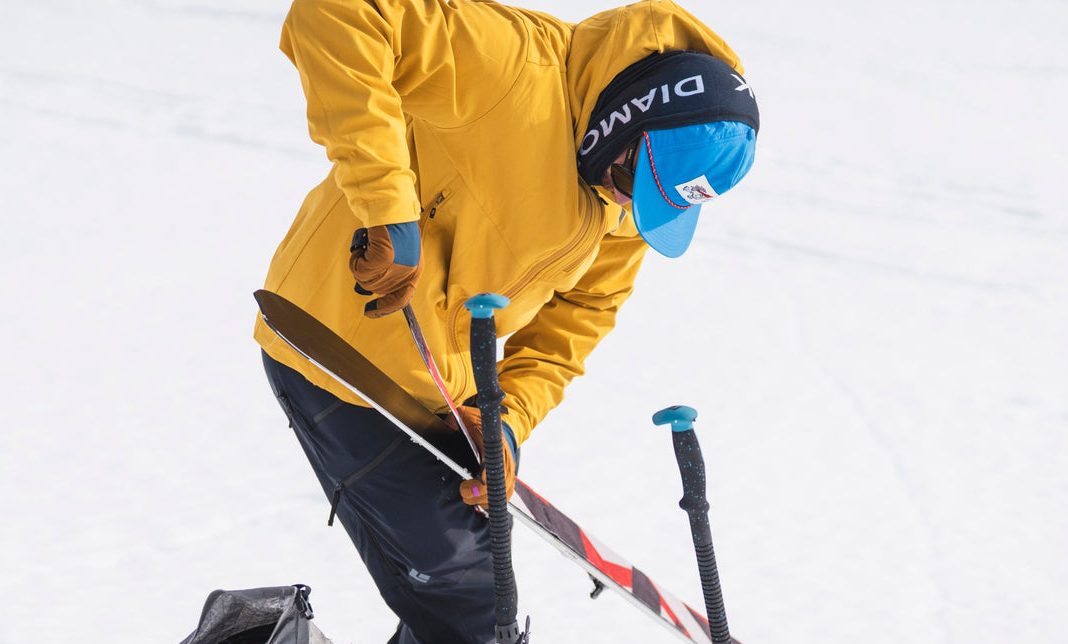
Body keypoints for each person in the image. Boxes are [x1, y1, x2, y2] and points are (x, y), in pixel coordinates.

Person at [254, 0, 759, 641]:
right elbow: (339, 15)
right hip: (337, 349)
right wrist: (385, 204)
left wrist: (508, 420)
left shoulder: (624, 204)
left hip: (440, 396)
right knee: (472, 614)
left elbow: (578, 319)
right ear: (625, 117)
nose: (629, 203)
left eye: (651, 201)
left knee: (474, 617)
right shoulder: (514, 66)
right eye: (637, 180)